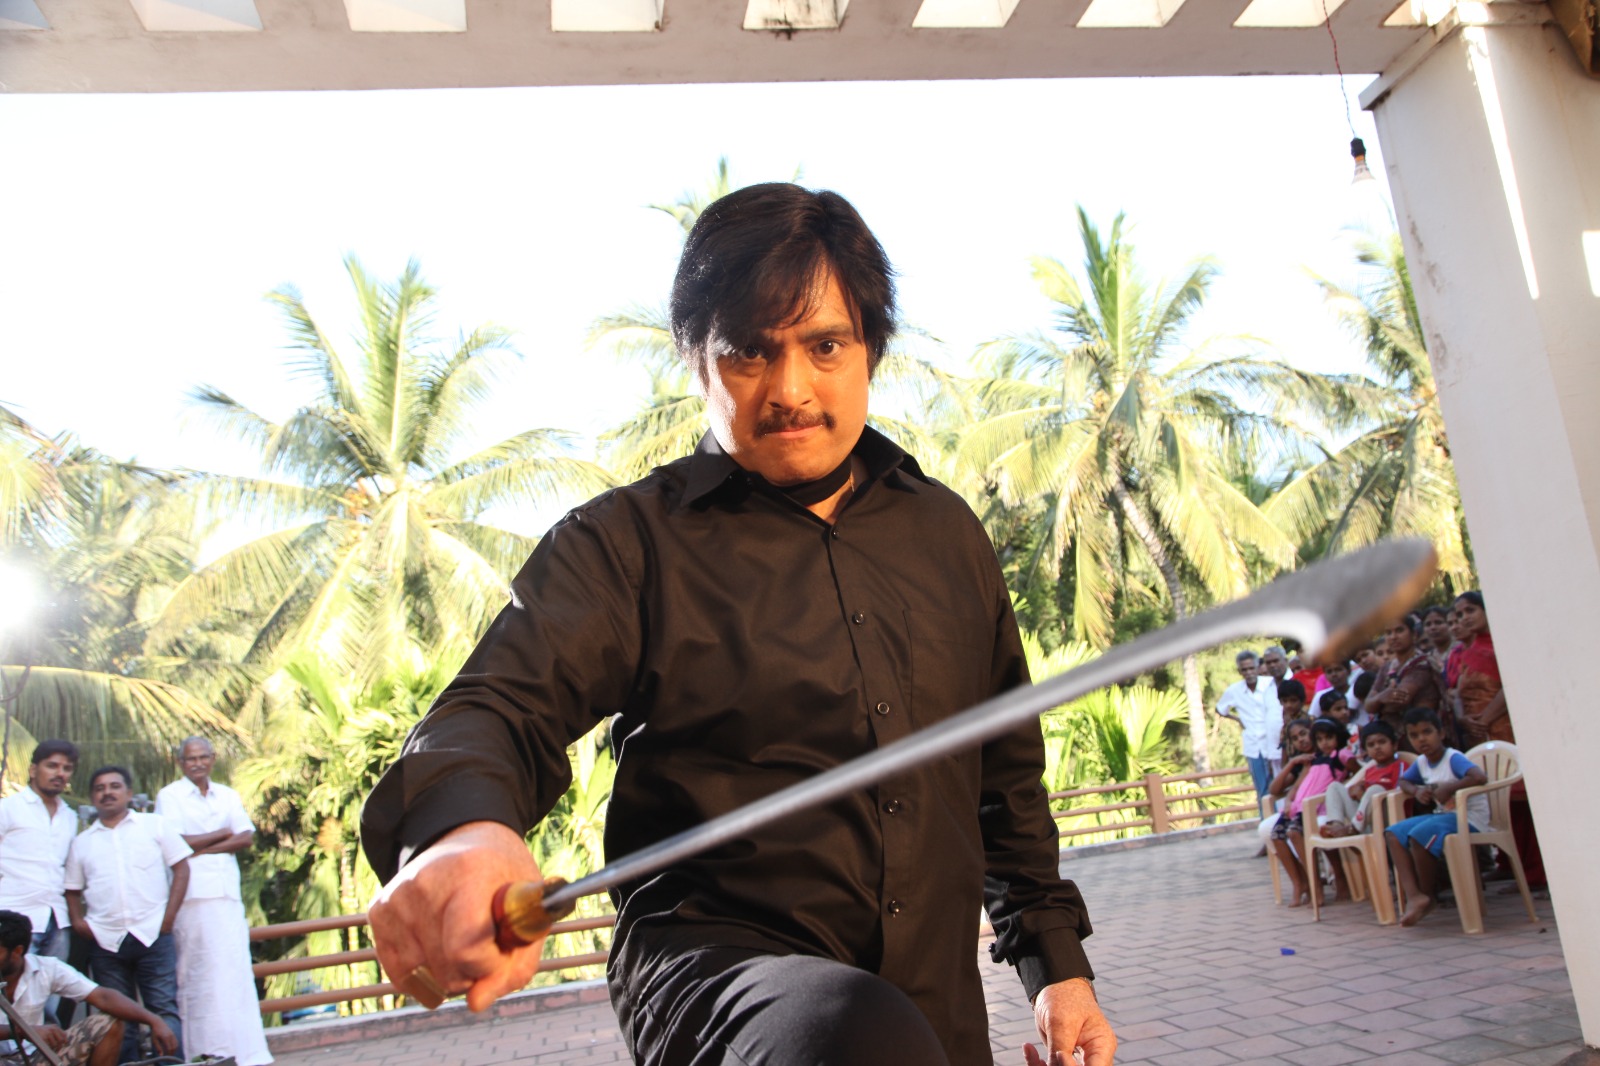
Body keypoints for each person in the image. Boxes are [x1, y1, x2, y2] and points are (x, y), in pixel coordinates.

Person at [359, 184, 1115, 1066]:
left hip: (934, 1011)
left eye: (824, 346)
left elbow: (1005, 783)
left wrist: (1058, 971)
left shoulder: (948, 536)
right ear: (697, 361)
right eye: (751, 351)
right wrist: (465, 831)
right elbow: (496, 707)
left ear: (870, 349)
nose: (790, 389)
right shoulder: (626, 545)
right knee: (856, 1031)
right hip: (715, 987)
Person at [155, 738, 273, 1065]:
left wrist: (202, 847)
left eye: (202, 757)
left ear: (213, 758)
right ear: (180, 762)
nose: (197, 763)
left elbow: (245, 837)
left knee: (233, 973)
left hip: (227, 896)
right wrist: (222, 834)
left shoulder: (227, 795)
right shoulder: (170, 796)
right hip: (191, 899)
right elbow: (174, 841)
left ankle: (244, 1051)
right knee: (195, 975)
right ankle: (202, 1051)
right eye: (190, 758)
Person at [63, 767, 190, 1064]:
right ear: (92, 797)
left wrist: (168, 918)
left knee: (163, 1010)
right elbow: (71, 890)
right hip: (106, 942)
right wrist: (79, 922)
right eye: (100, 788)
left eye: (114, 786)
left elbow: (182, 868)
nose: (107, 792)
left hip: (153, 934)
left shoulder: (154, 826)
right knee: (118, 1018)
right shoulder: (82, 842)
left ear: (129, 793)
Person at [0, 910, 178, 1066]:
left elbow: (103, 997)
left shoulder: (46, 968)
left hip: (37, 1057)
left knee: (107, 1023)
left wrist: (154, 1020)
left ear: (17, 951)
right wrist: (27, 1031)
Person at [1451, 591, 1544, 889]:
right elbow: (1459, 693)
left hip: (1504, 728)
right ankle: (1509, 862)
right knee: (1497, 798)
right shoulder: (1470, 650)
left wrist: (1486, 719)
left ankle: (1536, 871)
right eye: (1460, 614)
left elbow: (1510, 685)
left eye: (1470, 610)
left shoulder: (1504, 644)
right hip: (1480, 733)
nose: (1465, 618)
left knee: (1519, 798)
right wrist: (1465, 719)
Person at [1386, 708, 1489, 926]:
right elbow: (1403, 781)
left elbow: (1479, 777)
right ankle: (1415, 896)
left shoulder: (1453, 758)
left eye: (1427, 732)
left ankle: (1428, 895)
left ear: (1441, 733)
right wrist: (1416, 791)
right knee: (1393, 834)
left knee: (1419, 835)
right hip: (1445, 817)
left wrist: (1451, 787)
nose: (1421, 739)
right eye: (1414, 735)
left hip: (1469, 818)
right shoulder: (1422, 762)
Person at [0, 741, 79, 965]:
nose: (60, 773)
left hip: (57, 921)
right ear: (33, 770)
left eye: (66, 768)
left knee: (52, 985)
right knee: (10, 986)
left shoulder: (69, 817)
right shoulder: (8, 808)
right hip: (13, 919)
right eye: (52, 766)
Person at [1364, 613, 1443, 742]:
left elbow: (1398, 701)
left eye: (1399, 630)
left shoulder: (1422, 664)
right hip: (1395, 739)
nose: (1393, 637)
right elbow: (1368, 706)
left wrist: (1378, 701)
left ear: (1414, 635)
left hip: (1424, 737)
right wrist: (1382, 697)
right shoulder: (1387, 667)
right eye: (1388, 633)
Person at [1320, 721, 1407, 837]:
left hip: (1390, 821)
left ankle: (1352, 829)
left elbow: (1399, 791)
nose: (1377, 747)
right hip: (1367, 823)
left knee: (1375, 789)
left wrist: (1366, 791)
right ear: (1366, 751)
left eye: (1382, 742)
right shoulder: (1370, 770)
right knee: (1334, 786)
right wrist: (1356, 789)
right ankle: (1336, 825)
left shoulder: (1401, 766)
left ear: (1394, 745)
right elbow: (1354, 791)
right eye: (1371, 745)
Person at [1264, 719, 1317, 906]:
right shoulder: (1300, 762)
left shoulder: (1323, 756)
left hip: (1314, 808)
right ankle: (1298, 883)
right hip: (1297, 809)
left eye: (1303, 734)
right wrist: (1292, 762)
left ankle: (1314, 884)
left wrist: (1290, 799)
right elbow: (1274, 789)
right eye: (1295, 738)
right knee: (1275, 835)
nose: (1301, 740)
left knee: (1291, 831)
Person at [1216, 650, 1282, 801]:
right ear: (1239, 671)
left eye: (1251, 668)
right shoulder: (1234, 690)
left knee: (1279, 785)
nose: (1249, 673)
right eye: (1244, 669)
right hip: (1254, 746)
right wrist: (1238, 719)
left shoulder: (1270, 684)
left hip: (1273, 742)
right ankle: (1266, 816)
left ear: (1258, 667)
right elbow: (1220, 709)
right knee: (1262, 790)